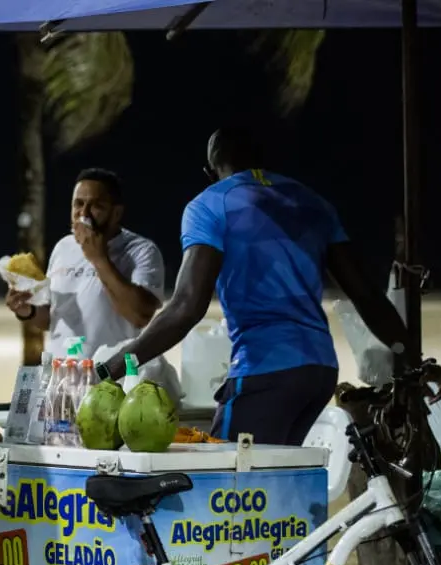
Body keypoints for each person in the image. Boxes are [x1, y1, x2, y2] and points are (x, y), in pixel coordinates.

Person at [99, 127, 413, 445]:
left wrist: (114, 366)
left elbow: (186, 307)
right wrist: (407, 353)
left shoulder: (209, 205)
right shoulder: (313, 203)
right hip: (319, 371)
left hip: (265, 370)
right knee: (274, 484)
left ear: (210, 173)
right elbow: (366, 294)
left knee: (224, 483)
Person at [7, 168, 166, 358]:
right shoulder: (63, 247)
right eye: (78, 204)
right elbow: (54, 319)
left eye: (96, 206)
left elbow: (139, 316)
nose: (84, 214)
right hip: (63, 376)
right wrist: (28, 311)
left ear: (116, 213)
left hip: (112, 378)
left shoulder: (141, 251)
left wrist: (98, 258)